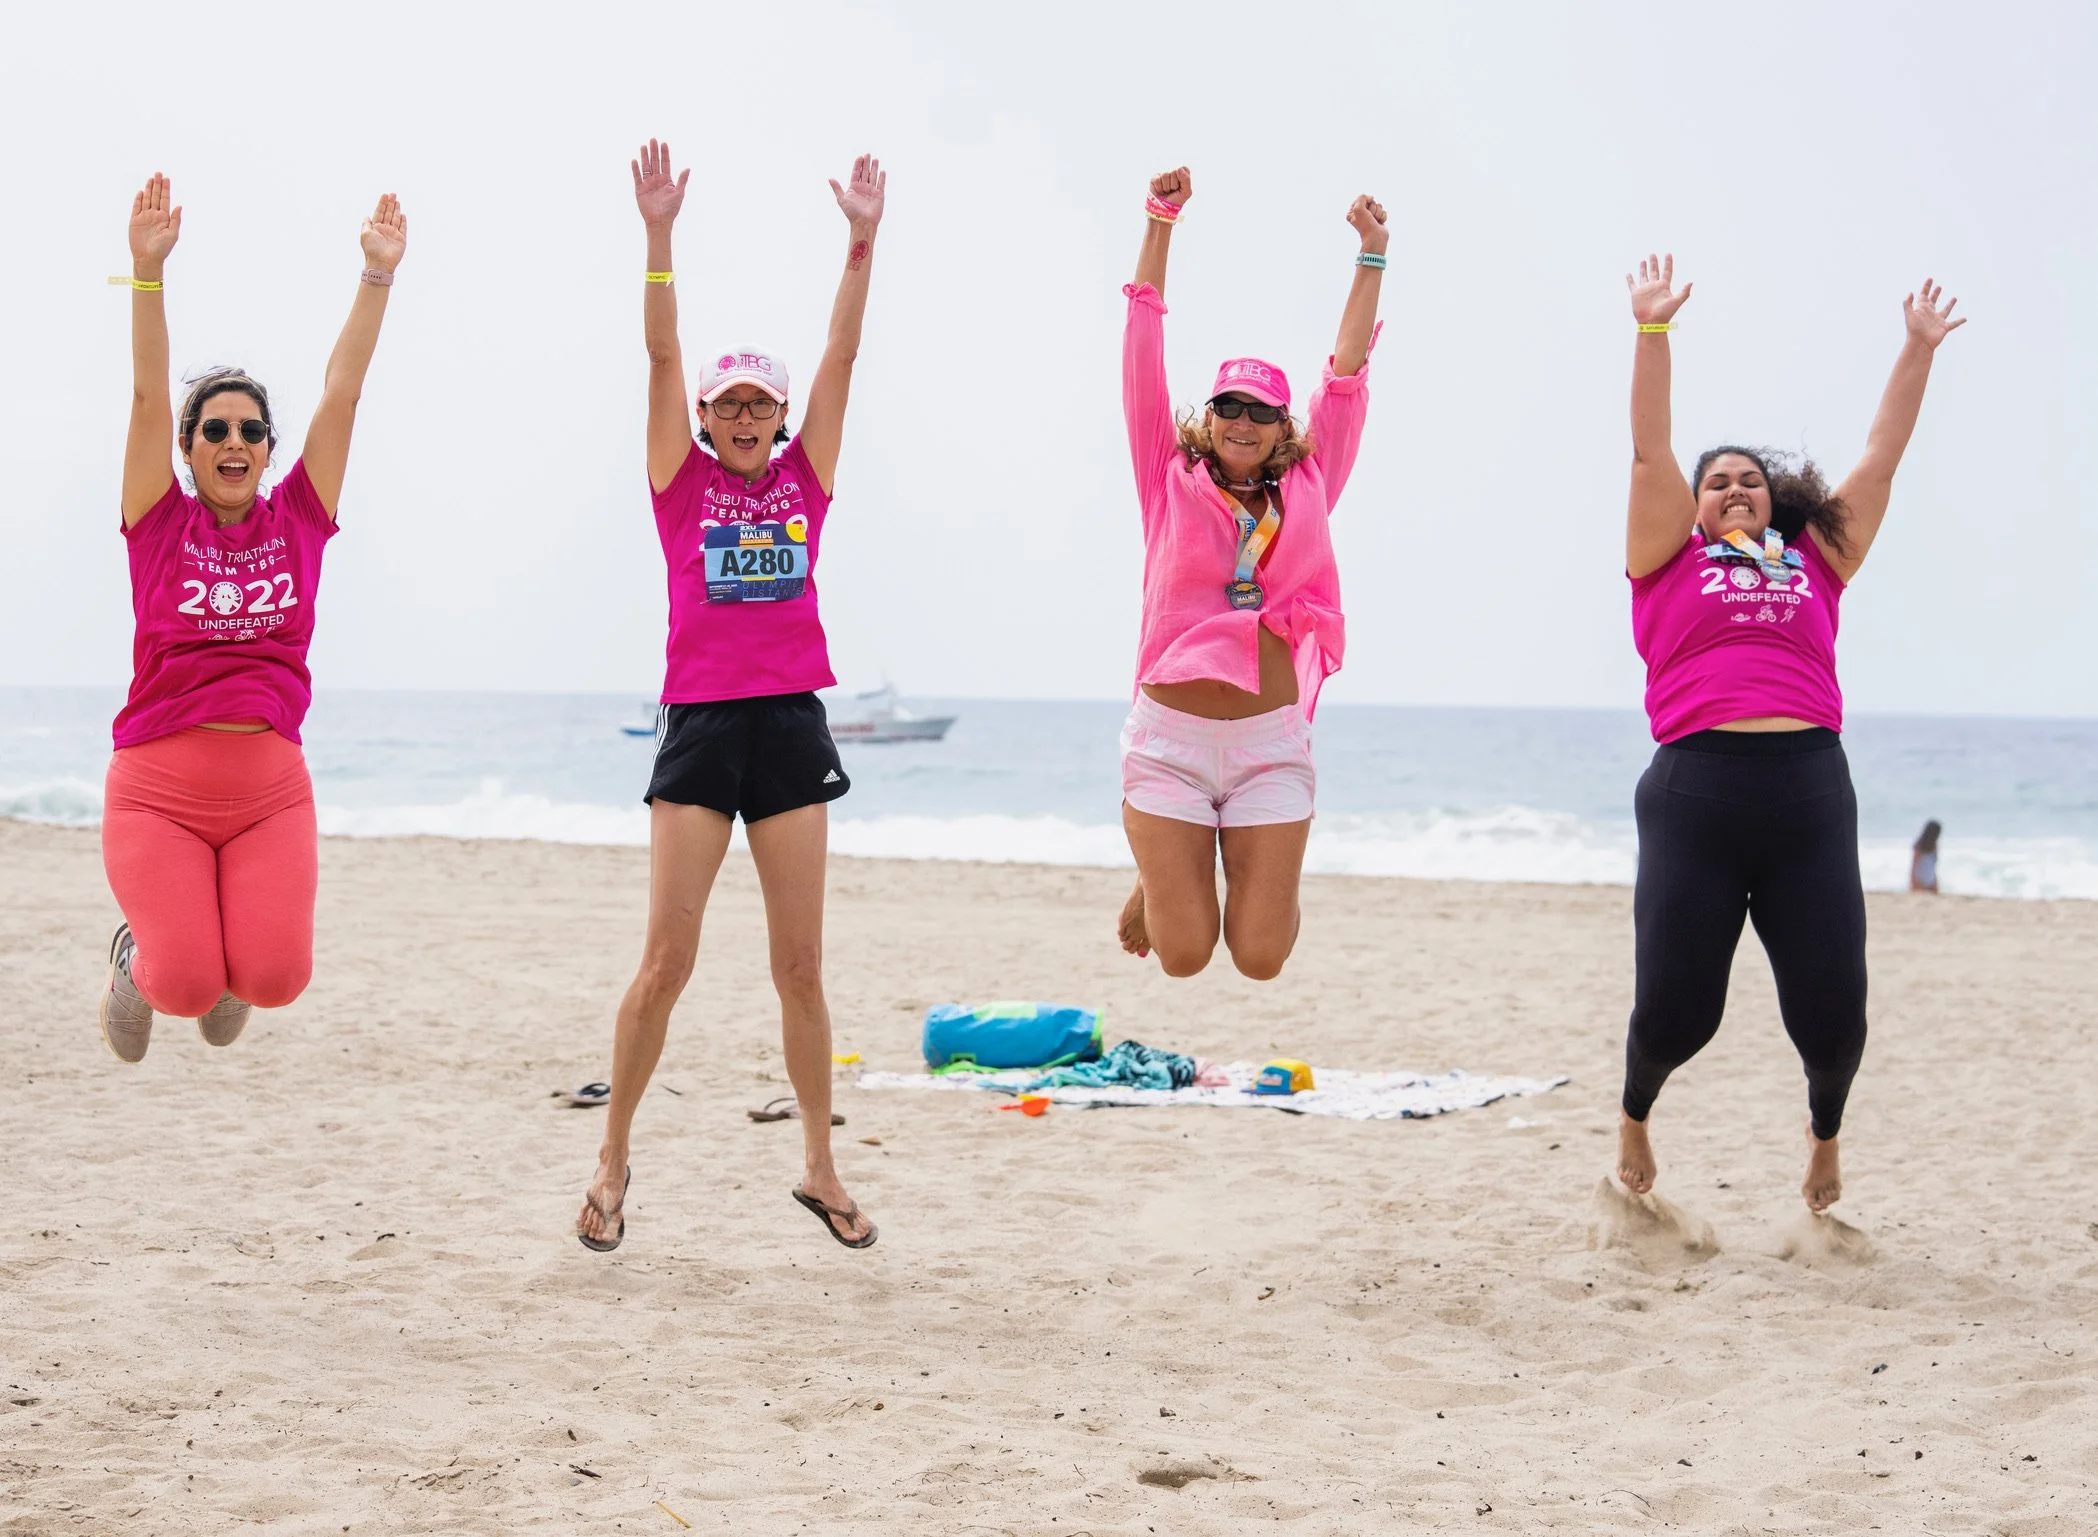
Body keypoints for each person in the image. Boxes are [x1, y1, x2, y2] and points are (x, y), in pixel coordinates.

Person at [576, 141, 885, 1254]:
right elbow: (659, 352)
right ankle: (611, 1162)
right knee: (667, 960)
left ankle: (817, 1164)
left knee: (799, 966)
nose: (747, 418)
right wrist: (658, 238)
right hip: (701, 729)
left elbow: (843, 351)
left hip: (790, 722)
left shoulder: (806, 477)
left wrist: (861, 240)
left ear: (780, 416)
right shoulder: (680, 482)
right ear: (705, 418)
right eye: (730, 404)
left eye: (762, 403)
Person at [1615, 254, 1966, 1212]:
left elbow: (1880, 458)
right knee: (1682, 1010)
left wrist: (1917, 349)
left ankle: (1824, 1139)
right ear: (1695, 507)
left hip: (1810, 789)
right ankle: (1637, 1111)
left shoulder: (1816, 560)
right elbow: (1651, 453)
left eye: (1751, 481)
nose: (1735, 488)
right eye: (1718, 482)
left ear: (1775, 500)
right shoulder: (1665, 560)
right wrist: (1652, 332)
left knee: (1833, 1014)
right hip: (1696, 790)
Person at [99, 173, 406, 1062]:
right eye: (216, 430)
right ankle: (133, 958)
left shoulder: (299, 519)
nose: (234, 441)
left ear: (269, 449)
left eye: (251, 430)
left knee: (272, 980)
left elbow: (342, 395)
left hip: (268, 792)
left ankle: (219, 951)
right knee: (188, 982)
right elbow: (149, 395)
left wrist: (377, 275)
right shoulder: (159, 521)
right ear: (190, 449)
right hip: (158, 792)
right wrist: (146, 272)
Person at [1114, 166, 1386, 981]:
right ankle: (1167, 863)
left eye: (1261, 411)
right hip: (1170, 744)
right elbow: (1142, 350)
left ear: (1281, 429)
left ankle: (1206, 853)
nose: (1242, 420)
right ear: (1211, 417)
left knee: (1261, 956)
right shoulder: (1168, 478)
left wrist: (1371, 256)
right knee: (1185, 956)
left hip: (1270, 746)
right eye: (1228, 406)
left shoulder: (1309, 487)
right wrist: (1160, 222)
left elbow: (1345, 377)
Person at [1910, 820, 1942, 893]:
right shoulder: (1919, 847)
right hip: (1919, 878)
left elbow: (1932, 867)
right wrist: (1914, 880)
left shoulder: (1934, 847)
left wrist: (1935, 881)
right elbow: (1914, 865)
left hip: (1931, 880)